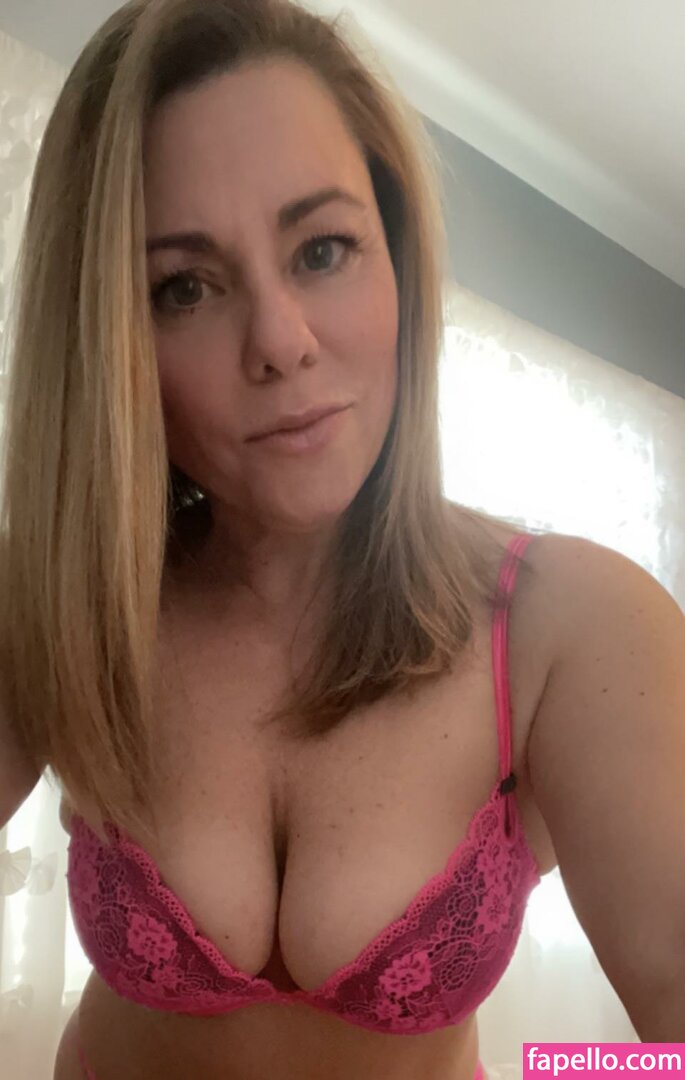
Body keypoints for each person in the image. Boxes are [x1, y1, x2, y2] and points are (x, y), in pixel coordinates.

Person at [0, 0, 683, 1077]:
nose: (280, 342)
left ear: (399, 259)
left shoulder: (572, 625)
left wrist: (570, 1072)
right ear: (108, 338)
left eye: (322, 249)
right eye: (183, 287)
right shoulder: (62, 600)